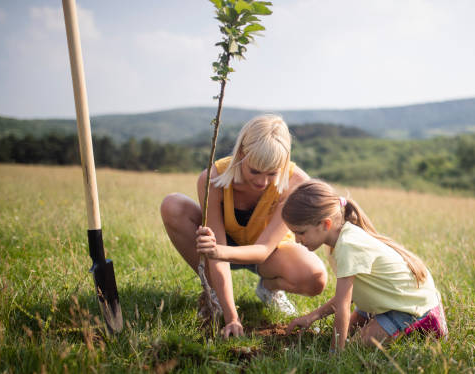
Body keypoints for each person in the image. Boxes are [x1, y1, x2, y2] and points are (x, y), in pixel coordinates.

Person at [161, 114, 327, 338]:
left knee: (315, 277)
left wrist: (217, 251)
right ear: (241, 154)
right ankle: (214, 294)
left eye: (272, 173)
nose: (261, 182)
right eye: (255, 171)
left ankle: (269, 290)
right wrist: (232, 318)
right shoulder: (213, 178)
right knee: (173, 205)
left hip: (268, 253)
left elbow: (263, 250)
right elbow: (216, 249)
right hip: (223, 246)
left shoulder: (297, 183)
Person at [282, 180, 447, 351]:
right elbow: (348, 296)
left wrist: (335, 354)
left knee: (355, 348)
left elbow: (343, 306)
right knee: (346, 332)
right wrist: (312, 316)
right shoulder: (335, 241)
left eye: (300, 232)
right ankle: (379, 319)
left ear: (325, 224)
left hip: (408, 306)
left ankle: (429, 319)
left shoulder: (348, 245)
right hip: (381, 298)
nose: (297, 240)